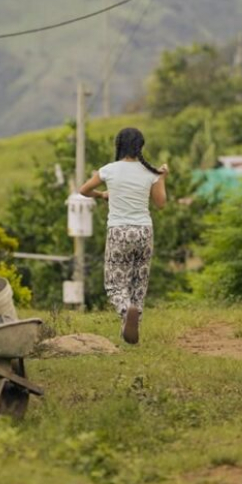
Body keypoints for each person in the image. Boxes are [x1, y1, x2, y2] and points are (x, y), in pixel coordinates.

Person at [79, 127, 168, 344]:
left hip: (119, 231)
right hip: (144, 232)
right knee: (139, 283)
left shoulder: (109, 170)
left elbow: (83, 190)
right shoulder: (150, 173)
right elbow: (161, 204)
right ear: (141, 146)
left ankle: (125, 310)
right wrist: (162, 177)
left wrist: (102, 195)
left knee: (115, 284)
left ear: (118, 145)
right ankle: (130, 332)